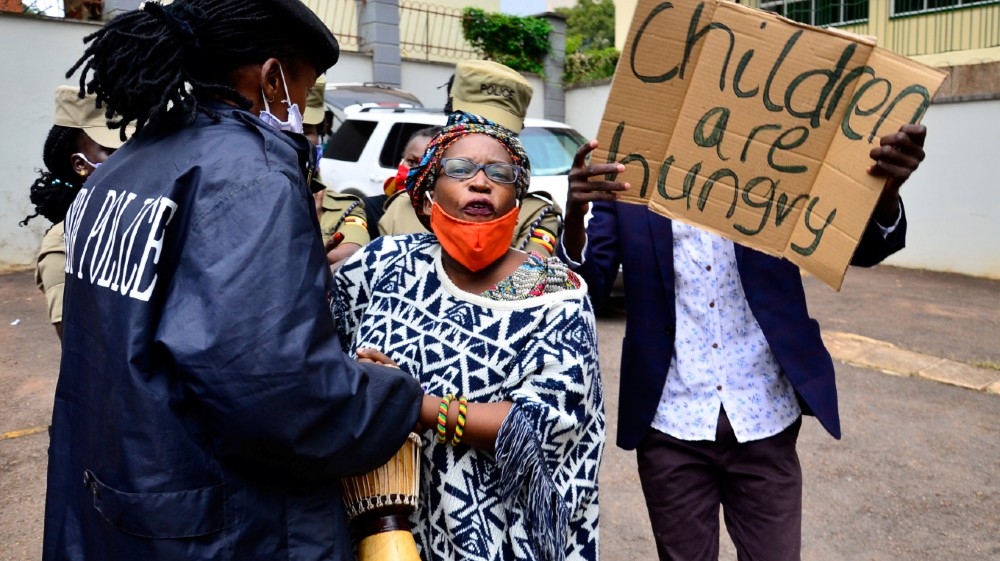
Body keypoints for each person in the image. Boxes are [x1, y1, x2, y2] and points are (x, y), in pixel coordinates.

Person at [42, 2, 424, 560]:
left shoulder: (128, 164)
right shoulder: (251, 173)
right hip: (218, 530)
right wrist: (389, 394)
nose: (302, 114)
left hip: (116, 501)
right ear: (272, 78)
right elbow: (275, 392)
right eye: (303, 86)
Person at [560, 122, 928, 561]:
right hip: (670, 425)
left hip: (764, 419)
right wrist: (575, 217)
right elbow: (590, 288)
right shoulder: (630, 179)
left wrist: (886, 190)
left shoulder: (779, 158)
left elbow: (862, 248)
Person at [332, 111, 605, 560]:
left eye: (499, 173)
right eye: (459, 170)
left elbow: (539, 427)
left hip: (500, 540)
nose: (480, 182)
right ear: (426, 194)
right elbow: (328, 357)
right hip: (381, 532)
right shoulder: (382, 265)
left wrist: (412, 403)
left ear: (517, 198)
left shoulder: (555, 293)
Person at [378, 60, 563, 257]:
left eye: (500, 132)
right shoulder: (401, 207)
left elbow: (532, 274)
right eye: (471, 125)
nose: (480, 182)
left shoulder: (535, 212)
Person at [20, 85, 130, 340]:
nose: (130, 159)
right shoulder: (64, 245)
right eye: (113, 151)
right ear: (80, 164)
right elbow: (80, 346)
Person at [304, 75, 370, 268]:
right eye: (288, 131)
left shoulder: (344, 207)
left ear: (321, 134)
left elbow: (352, 253)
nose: (296, 141)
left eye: (306, 131)